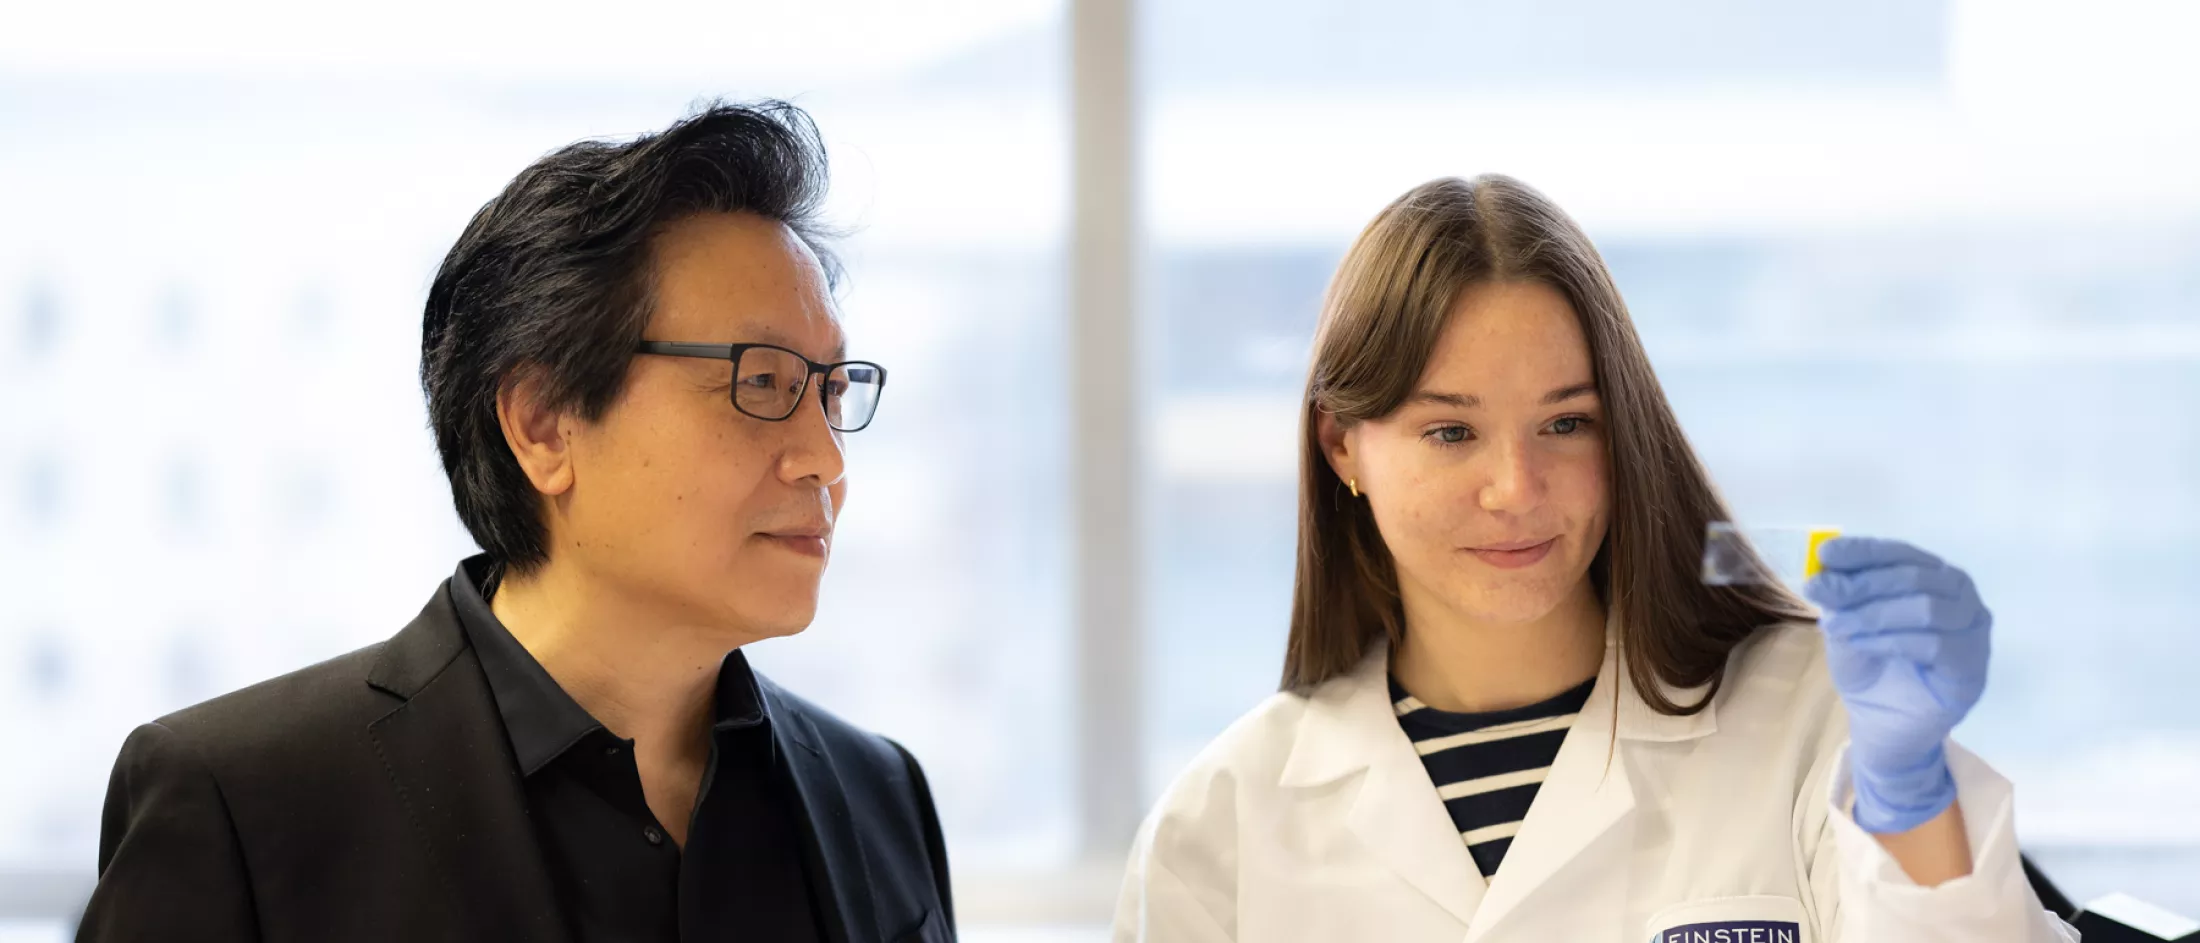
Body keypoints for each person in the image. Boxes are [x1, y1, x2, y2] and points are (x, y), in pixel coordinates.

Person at [77, 102, 954, 943]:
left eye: (833, 390)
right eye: (762, 382)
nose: (825, 459)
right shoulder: (243, 802)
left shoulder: (880, 793)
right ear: (543, 425)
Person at [1112, 175, 2074, 942]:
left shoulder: (1814, 725)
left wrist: (1913, 793)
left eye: (1567, 422)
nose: (1517, 487)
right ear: (1341, 448)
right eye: (1451, 432)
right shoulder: (1222, 827)